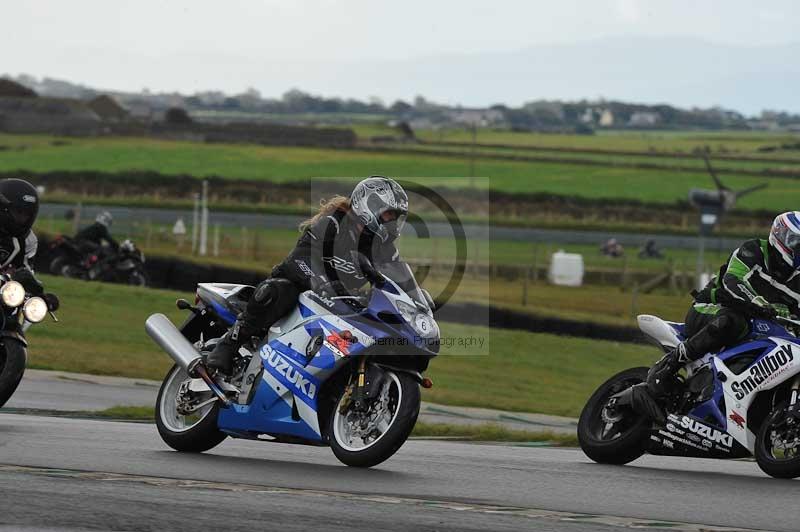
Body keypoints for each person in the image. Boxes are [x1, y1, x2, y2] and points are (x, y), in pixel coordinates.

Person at [207, 176, 410, 375]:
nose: (393, 222)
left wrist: (417, 302)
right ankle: (229, 343)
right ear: (369, 206)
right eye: (389, 215)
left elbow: (399, 280)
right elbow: (299, 259)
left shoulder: (384, 248)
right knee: (279, 290)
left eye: (396, 217)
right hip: (300, 287)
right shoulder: (334, 224)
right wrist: (321, 282)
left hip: (339, 302)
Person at [647, 212, 800, 396]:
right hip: (710, 309)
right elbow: (733, 281)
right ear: (780, 234)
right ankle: (670, 364)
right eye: (796, 242)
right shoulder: (753, 250)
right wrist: (757, 302)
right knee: (730, 321)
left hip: (757, 328)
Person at [0, 178, 48, 297]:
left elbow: (25, 271)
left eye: (27, 214)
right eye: (18, 212)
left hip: (6, 295)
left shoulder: (28, 240)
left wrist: (37, 290)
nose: (23, 218)